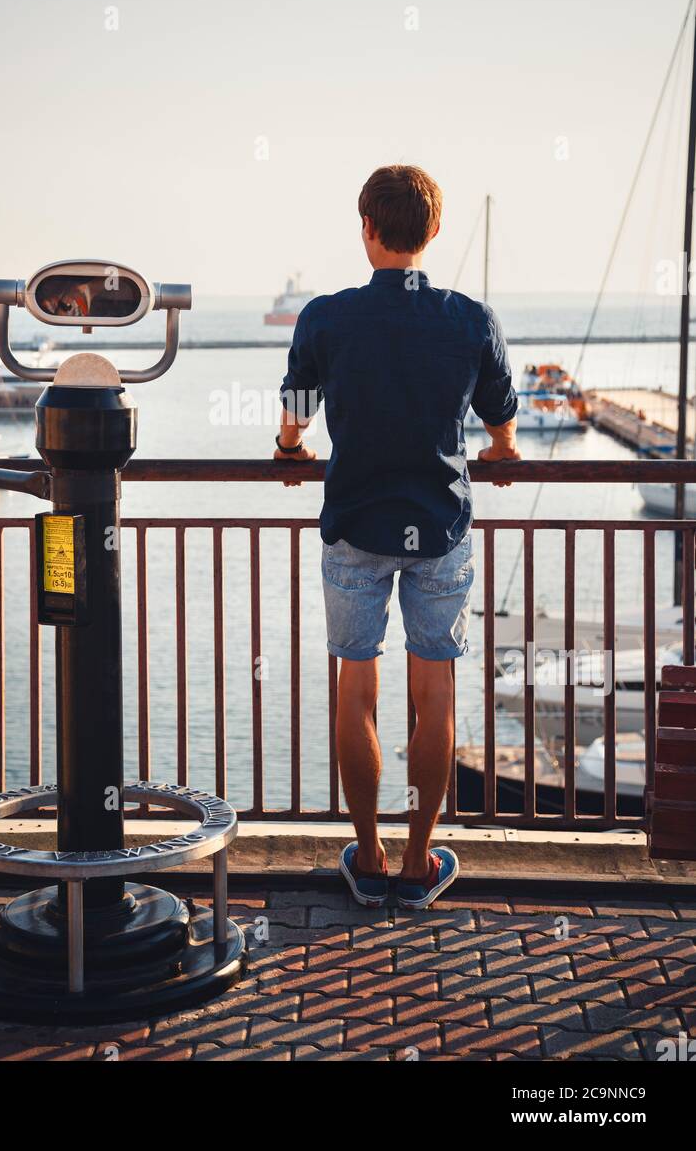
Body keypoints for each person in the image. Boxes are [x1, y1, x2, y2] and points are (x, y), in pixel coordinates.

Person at [274, 164, 521, 909]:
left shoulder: (325, 317)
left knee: (357, 686)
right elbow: (500, 416)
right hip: (440, 528)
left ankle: (371, 857)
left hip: (354, 525)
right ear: (434, 232)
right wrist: (503, 454)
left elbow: (295, 419)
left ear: (367, 229)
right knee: (435, 689)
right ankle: (419, 862)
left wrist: (290, 452)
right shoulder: (468, 318)